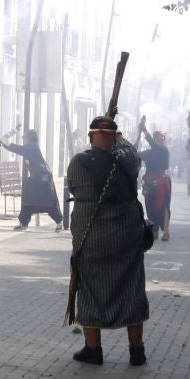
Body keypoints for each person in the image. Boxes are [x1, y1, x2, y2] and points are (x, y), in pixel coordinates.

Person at [64, 115, 150, 366]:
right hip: (127, 238)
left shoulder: (79, 163)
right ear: (114, 137)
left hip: (93, 239)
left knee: (90, 290)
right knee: (132, 290)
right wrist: (118, 137)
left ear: (91, 137)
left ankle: (94, 349)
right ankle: (137, 351)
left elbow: (76, 191)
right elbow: (128, 148)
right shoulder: (129, 159)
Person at [2, 129, 62, 229]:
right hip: (36, 179)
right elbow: (19, 149)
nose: (23, 139)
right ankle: (23, 222)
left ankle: (59, 222)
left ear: (29, 138)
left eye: (24, 138)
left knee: (48, 202)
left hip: (43, 180)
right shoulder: (31, 146)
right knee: (28, 201)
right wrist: (4, 143)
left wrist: (6, 143)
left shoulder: (32, 146)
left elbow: (19, 149)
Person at [139, 127, 173, 244]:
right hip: (149, 183)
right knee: (150, 207)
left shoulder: (164, 151)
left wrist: (144, 131)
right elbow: (137, 155)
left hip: (162, 182)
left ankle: (166, 231)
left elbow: (155, 146)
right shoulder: (148, 153)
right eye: (157, 138)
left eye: (161, 138)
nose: (159, 140)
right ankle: (154, 230)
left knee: (164, 207)